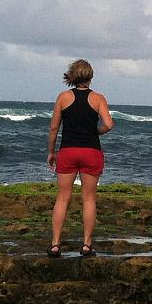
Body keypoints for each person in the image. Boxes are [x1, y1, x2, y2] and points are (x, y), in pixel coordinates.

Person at [46, 59, 114, 257]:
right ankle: (86, 245)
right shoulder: (98, 98)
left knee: (63, 197)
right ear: (90, 77)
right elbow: (109, 124)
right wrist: (95, 132)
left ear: (72, 76)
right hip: (91, 151)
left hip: (68, 151)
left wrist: (51, 152)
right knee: (89, 199)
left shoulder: (63, 97)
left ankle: (56, 244)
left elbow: (53, 128)